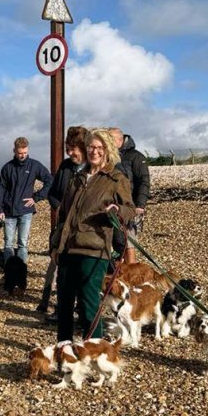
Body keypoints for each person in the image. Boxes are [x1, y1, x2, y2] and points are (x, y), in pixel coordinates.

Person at [51, 129, 136, 341]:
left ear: (107, 150)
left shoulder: (115, 178)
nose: (94, 151)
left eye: (99, 147)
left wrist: (117, 211)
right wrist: (54, 245)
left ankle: (95, 351)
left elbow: (129, 209)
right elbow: (63, 215)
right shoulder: (77, 178)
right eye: (91, 146)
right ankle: (64, 349)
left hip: (94, 249)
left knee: (89, 306)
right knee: (64, 304)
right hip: (67, 247)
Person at [38, 126, 89, 316]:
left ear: (83, 147)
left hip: (85, 231)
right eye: (68, 148)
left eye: (74, 148)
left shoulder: (94, 169)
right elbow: (53, 193)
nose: (70, 152)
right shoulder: (65, 166)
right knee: (63, 270)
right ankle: (62, 309)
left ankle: (83, 309)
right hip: (63, 228)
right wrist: (57, 205)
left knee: (84, 272)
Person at [0, 137, 53, 263]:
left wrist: (36, 197)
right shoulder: (7, 168)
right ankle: (9, 273)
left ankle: (21, 272)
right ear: (14, 151)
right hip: (8, 211)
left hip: (26, 211)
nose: (22, 155)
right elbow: (1, 189)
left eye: (25, 153)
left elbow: (50, 181)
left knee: (23, 244)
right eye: (20, 153)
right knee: (8, 244)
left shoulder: (34, 165)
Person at [110, 127, 151, 264]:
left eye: (111, 139)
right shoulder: (108, 156)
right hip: (112, 205)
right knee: (116, 241)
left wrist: (140, 205)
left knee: (129, 241)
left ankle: (131, 269)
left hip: (130, 205)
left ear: (120, 140)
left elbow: (144, 181)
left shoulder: (136, 157)